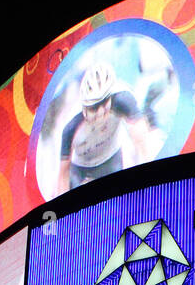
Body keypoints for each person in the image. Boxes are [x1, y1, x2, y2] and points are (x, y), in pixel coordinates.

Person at [57, 62, 155, 193]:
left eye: (104, 103)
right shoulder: (71, 126)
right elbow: (63, 172)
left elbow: (141, 139)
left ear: (111, 96)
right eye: (93, 108)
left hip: (111, 157)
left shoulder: (122, 100)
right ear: (84, 107)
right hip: (81, 167)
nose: (100, 113)